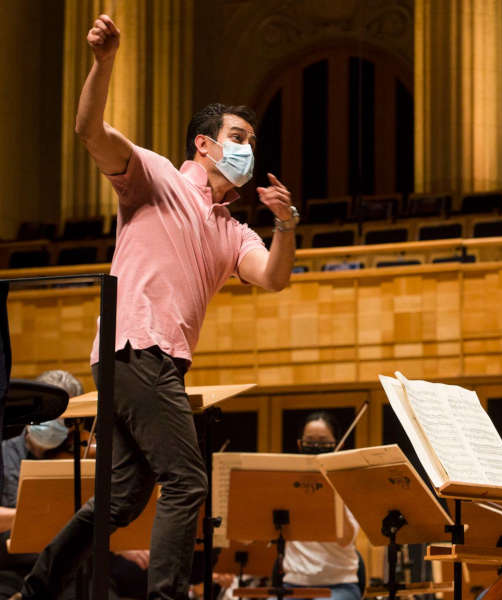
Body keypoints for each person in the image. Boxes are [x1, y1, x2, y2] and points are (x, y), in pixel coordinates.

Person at [16, 14, 298, 600]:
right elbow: (89, 130)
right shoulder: (158, 177)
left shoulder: (233, 230)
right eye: (238, 138)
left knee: (121, 498)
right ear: (205, 143)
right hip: (135, 346)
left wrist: (286, 226)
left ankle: (36, 590)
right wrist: (103, 62)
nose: (247, 151)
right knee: (188, 480)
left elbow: (272, 277)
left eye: (251, 143)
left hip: (148, 363)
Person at [0, 371, 148, 600]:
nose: (54, 423)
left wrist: (120, 544)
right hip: (12, 572)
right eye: (48, 414)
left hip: (70, 570)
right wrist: (31, 516)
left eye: (63, 418)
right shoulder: (3, 453)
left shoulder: (81, 458)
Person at [280, 412, 361, 600]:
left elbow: (346, 539)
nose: (316, 446)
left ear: (336, 445)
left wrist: (333, 492)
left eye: (323, 441)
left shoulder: (347, 484)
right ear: (300, 444)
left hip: (339, 585)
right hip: (293, 583)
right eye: (310, 441)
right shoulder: (286, 482)